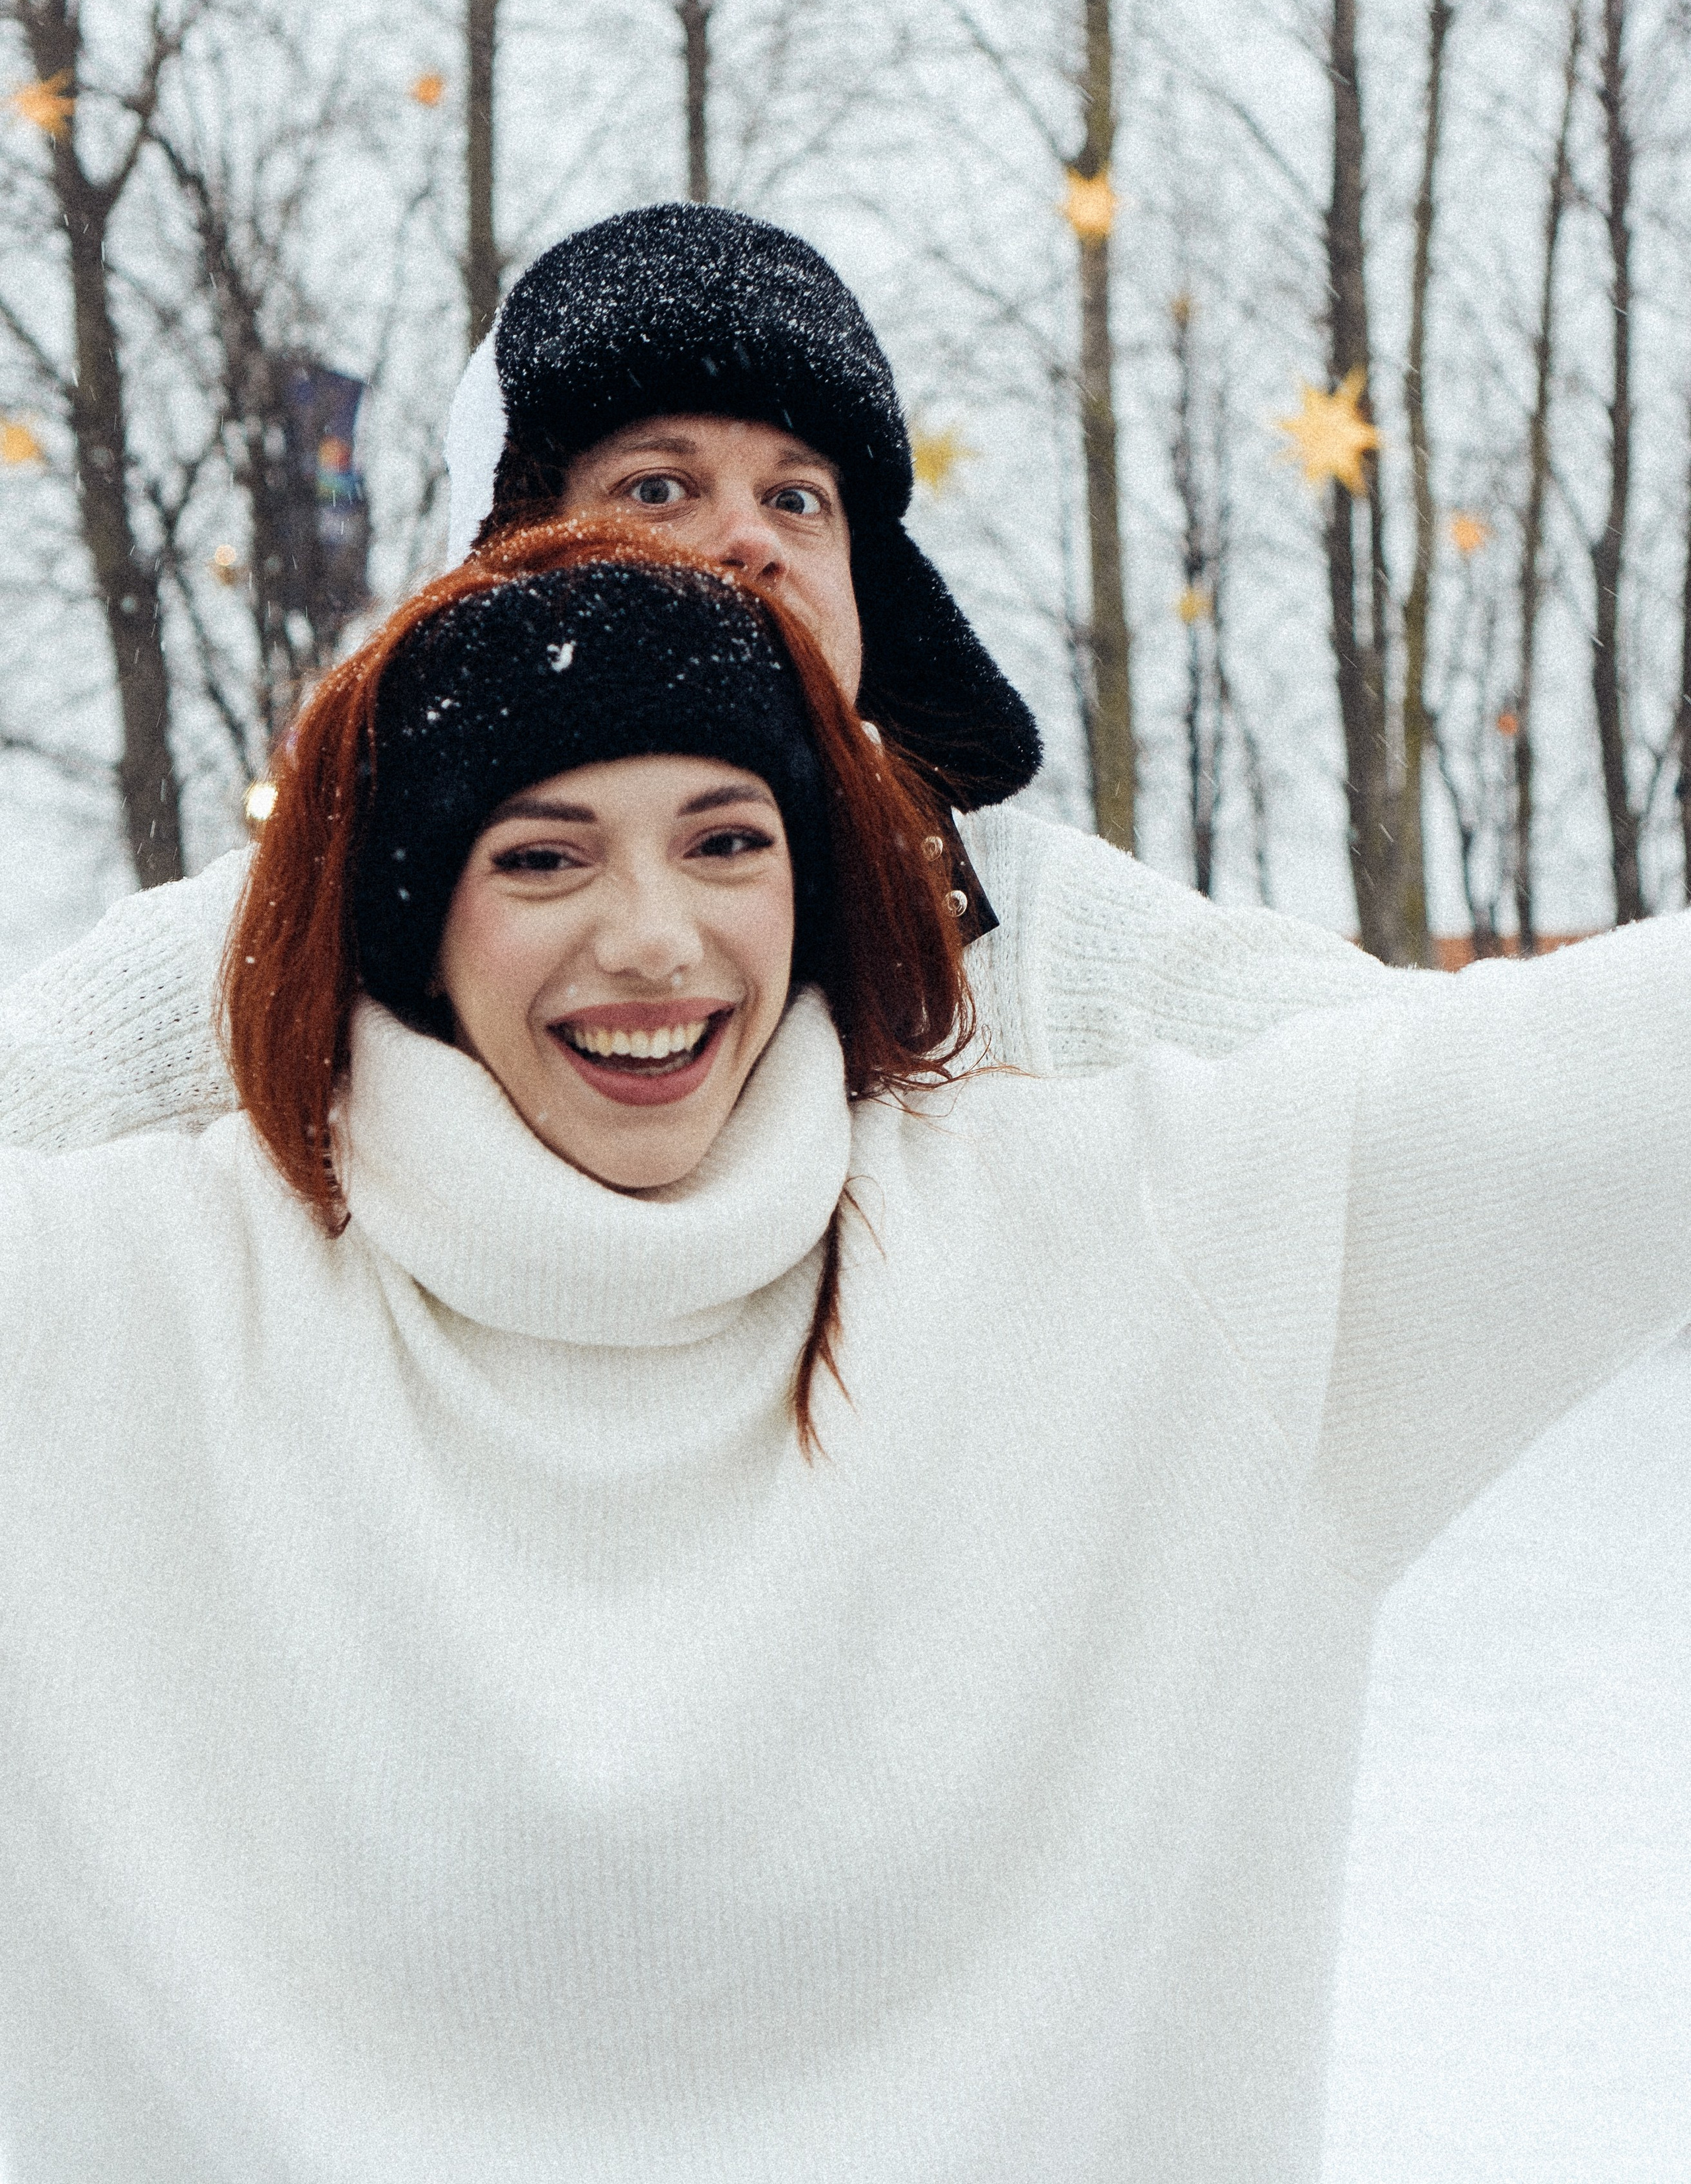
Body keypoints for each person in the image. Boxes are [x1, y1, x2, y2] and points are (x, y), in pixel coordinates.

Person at [2, 517, 1688, 2181]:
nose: (652, 935)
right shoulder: (118, 1315)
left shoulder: (1149, 1248)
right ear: (409, 917)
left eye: (726, 841)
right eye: (541, 858)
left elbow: (1600, 1084)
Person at [0, 200, 1409, 1161]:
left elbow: (1430, 1097)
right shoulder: (301, 926)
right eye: (660, 486)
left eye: (799, 498)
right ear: (510, 563)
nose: (749, 538)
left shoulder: (1022, 925)